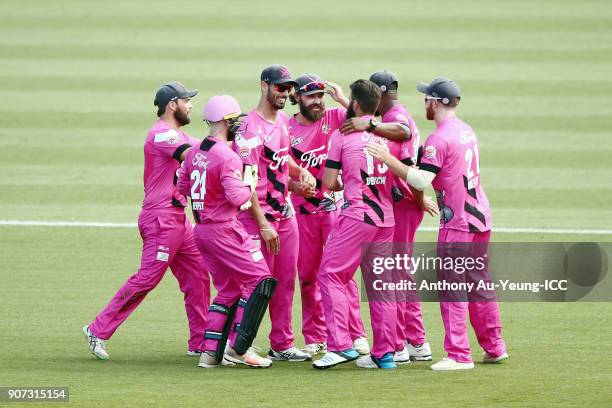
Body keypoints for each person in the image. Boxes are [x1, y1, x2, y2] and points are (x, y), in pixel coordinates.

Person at [366, 77, 508, 371]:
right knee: (479, 284)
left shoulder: (438, 138)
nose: (424, 103)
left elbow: (421, 180)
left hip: (457, 221)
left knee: (452, 287)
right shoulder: (466, 131)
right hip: (480, 217)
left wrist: (388, 161)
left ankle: (458, 354)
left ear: (437, 102)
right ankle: (494, 347)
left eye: (427, 98)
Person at [83, 82, 210, 360]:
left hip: (177, 218)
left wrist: (224, 138)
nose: (191, 105)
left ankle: (200, 342)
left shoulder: (177, 134)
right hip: (160, 219)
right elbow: (196, 155)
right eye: (187, 100)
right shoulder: (161, 135)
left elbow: (203, 149)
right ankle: (97, 329)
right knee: (147, 279)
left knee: (198, 275)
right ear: (172, 104)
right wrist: (223, 138)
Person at [177, 95, 276, 368]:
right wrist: (250, 181)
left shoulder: (195, 151)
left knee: (228, 290)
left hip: (202, 232)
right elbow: (237, 198)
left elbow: (183, 187)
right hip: (224, 230)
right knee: (260, 281)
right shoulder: (228, 156)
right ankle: (239, 348)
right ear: (226, 121)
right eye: (235, 121)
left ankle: (209, 354)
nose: (238, 126)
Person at [313, 79, 400, 370]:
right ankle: (384, 355)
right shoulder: (386, 134)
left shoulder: (342, 136)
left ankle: (340, 346)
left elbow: (327, 182)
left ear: (356, 103)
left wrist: (343, 182)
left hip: (357, 215)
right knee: (380, 286)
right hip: (385, 218)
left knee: (330, 275)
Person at [233, 65, 316, 362]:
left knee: (285, 282)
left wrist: (301, 170)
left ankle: (281, 344)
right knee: (256, 285)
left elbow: (284, 158)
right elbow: (248, 182)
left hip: (286, 215)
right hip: (259, 219)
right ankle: (241, 345)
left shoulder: (281, 120)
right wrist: (263, 223)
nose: (285, 93)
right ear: (263, 86)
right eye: (280, 87)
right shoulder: (248, 129)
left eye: (288, 88)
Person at [287, 73, 370, 357]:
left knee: (342, 275)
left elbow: (365, 122)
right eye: (311, 96)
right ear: (296, 97)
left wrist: (342, 99)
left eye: (320, 96)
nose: (318, 102)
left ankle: (356, 334)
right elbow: (273, 170)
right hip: (302, 213)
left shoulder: (335, 116)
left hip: (335, 210)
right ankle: (315, 336)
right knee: (308, 277)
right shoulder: (286, 130)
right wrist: (294, 185)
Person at [367, 71, 437, 364]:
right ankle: (413, 341)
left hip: (403, 203)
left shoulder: (398, 118)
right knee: (398, 271)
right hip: (406, 202)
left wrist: (420, 199)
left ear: (381, 93)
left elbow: (406, 146)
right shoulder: (394, 113)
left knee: (394, 272)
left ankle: (403, 343)